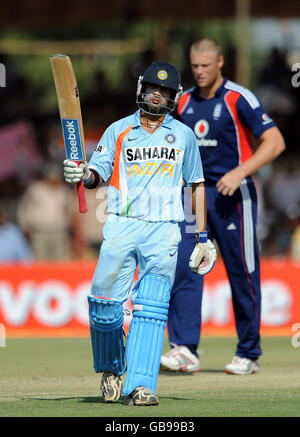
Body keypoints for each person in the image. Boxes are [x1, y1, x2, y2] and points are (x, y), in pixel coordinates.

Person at [62, 62, 216, 405]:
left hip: (164, 230)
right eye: (152, 89)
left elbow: (197, 185)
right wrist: (81, 174)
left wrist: (202, 238)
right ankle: (112, 369)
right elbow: (96, 174)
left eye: (165, 92)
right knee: (103, 305)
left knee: (151, 309)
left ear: (174, 98)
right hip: (121, 225)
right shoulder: (118, 130)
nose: (157, 95)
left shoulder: (185, 136)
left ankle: (141, 386)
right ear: (141, 90)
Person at [160, 38, 286, 375]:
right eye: (194, 66)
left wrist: (241, 171)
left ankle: (249, 352)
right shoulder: (183, 102)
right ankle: (185, 348)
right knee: (185, 267)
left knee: (242, 271)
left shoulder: (238, 98)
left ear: (220, 62)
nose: (199, 72)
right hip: (194, 196)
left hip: (235, 195)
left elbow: (275, 142)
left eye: (205, 65)